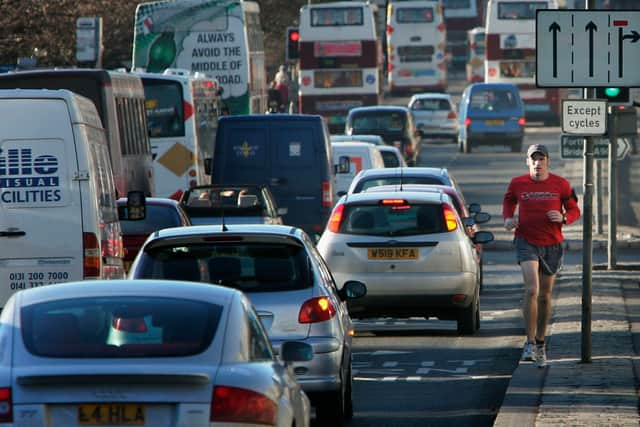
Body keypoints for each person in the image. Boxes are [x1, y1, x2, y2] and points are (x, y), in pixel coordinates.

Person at [502, 144, 581, 368]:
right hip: (526, 241)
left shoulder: (560, 184)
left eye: (541, 159)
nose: (537, 163)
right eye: (533, 159)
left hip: (552, 244)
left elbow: (575, 209)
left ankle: (540, 342)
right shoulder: (518, 183)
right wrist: (508, 219)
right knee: (532, 290)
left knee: (545, 296)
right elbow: (508, 202)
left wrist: (564, 217)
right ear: (527, 162)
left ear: (548, 161)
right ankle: (528, 343)